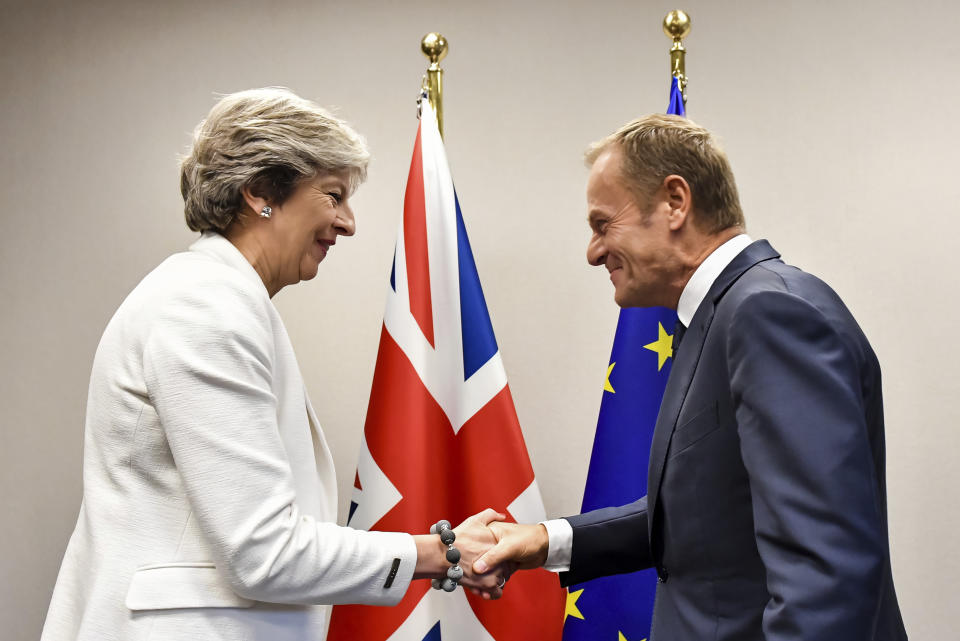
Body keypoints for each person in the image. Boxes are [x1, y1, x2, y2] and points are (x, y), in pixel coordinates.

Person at [40, 87, 505, 641]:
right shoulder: (206, 306)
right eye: (333, 195)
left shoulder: (220, 296)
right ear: (261, 194)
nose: (348, 222)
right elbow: (261, 551)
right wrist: (441, 553)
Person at [473, 114, 908, 640]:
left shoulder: (767, 314)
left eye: (602, 224)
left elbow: (824, 572)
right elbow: (707, 510)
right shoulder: (722, 316)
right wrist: (545, 541)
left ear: (675, 202)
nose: (592, 252)